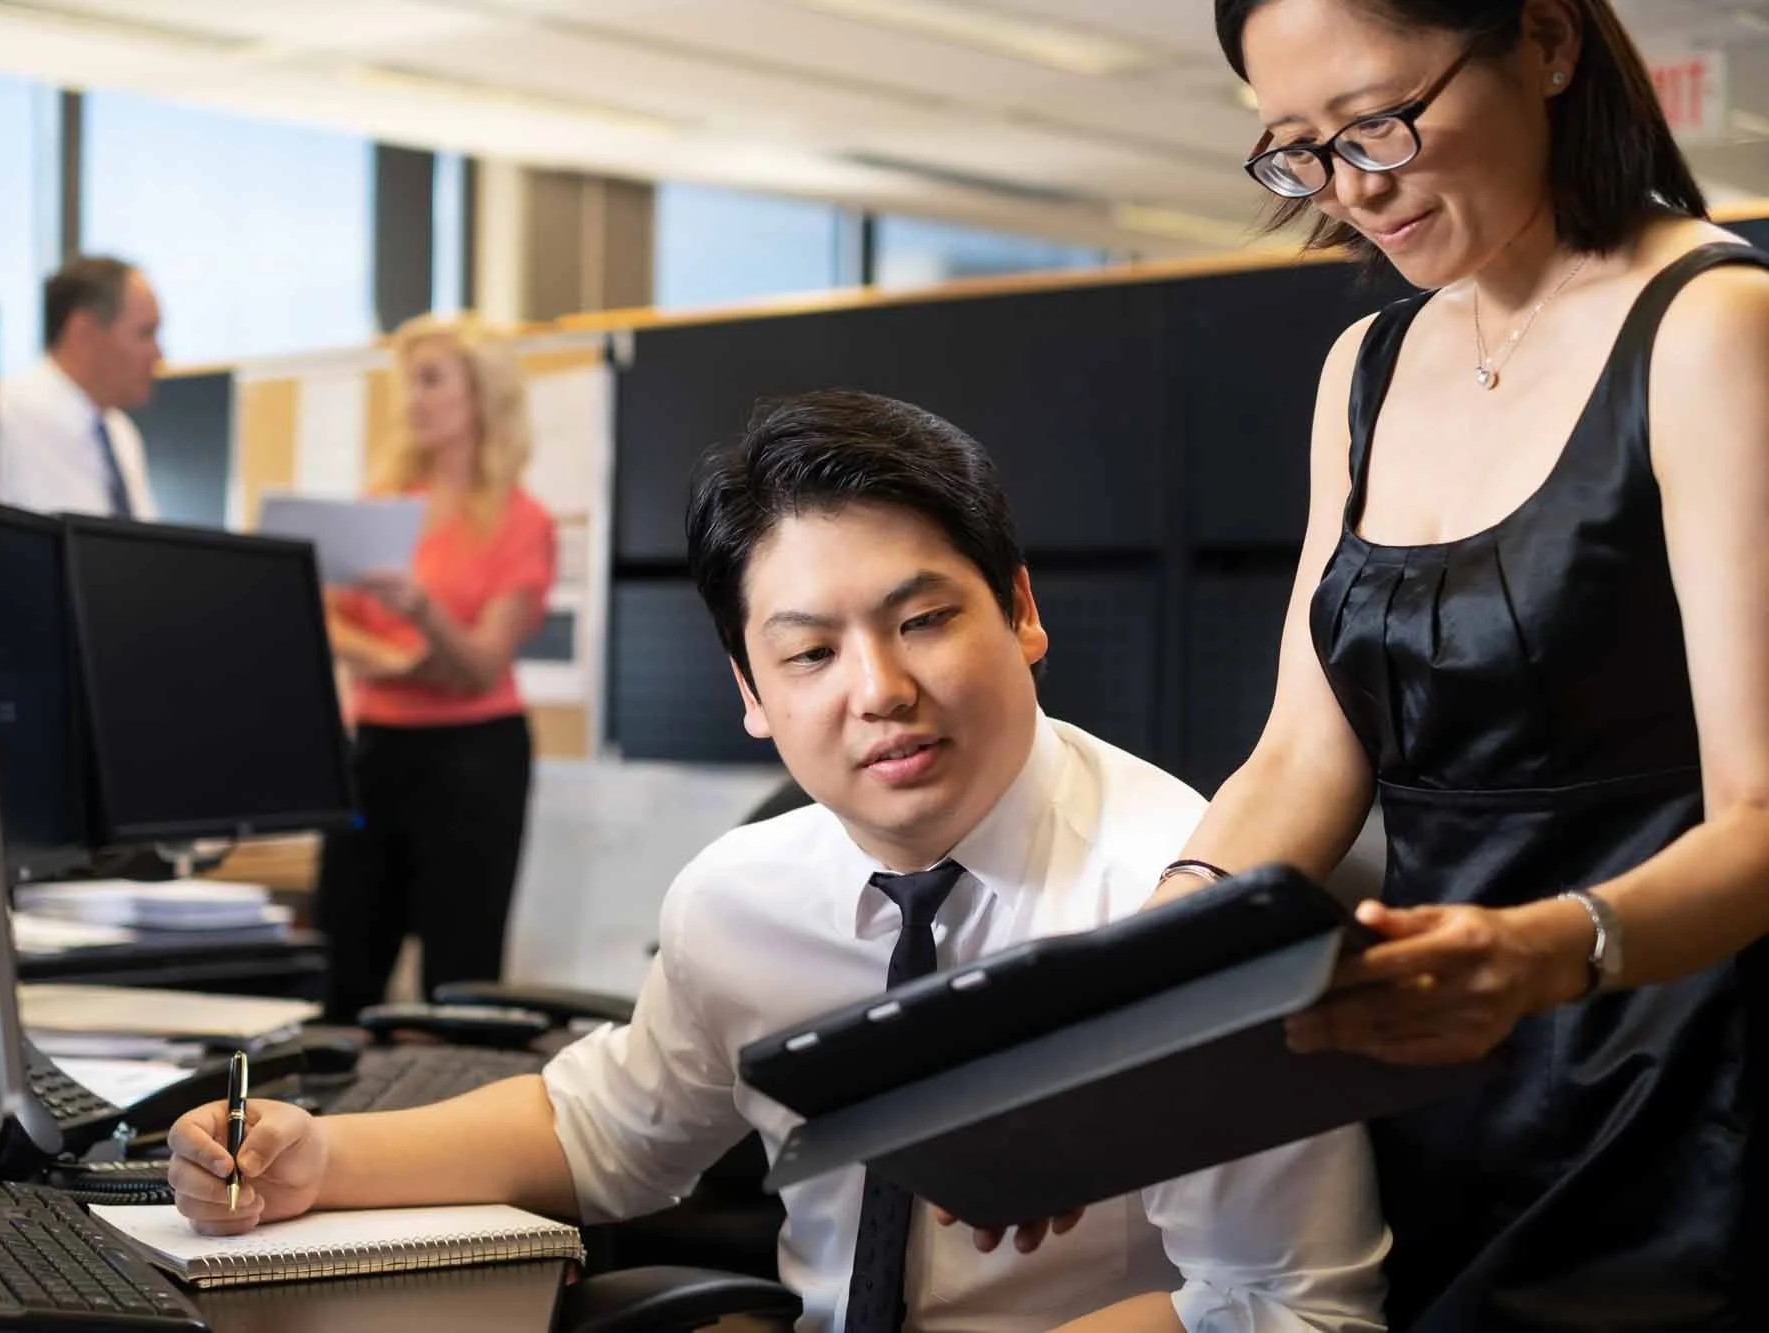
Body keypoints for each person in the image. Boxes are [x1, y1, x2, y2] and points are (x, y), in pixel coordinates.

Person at [170, 391, 1390, 1333]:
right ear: (750, 693)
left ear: (1018, 609)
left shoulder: (1178, 890)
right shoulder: (738, 896)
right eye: (808, 653)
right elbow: (606, 1127)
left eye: (922, 620)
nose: (880, 692)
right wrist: (316, 1161)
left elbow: (1284, 1305)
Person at [1074, 1, 1769, 1327]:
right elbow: (1302, 754)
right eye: (1302, 150)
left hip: (1680, 1081)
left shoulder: (1712, 326)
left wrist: (1540, 952)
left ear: (1549, 44)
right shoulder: (1368, 366)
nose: (1354, 188)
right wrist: (1121, 1000)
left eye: (1382, 121)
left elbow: (1763, 814)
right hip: (1431, 1059)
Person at [314, 316, 556, 1020]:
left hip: (474, 758)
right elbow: (324, 614)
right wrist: (400, 659)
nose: (413, 399)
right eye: (408, 382)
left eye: (431, 379)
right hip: (373, 750)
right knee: (343, 964)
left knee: (460, 976)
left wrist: (421, 613)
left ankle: (452, 1123)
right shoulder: (381, 506)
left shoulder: (521, 521)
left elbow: (480, 666)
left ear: (482, 394)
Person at [0, 255, 162, 519]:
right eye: (145, 333)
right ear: (82, 333)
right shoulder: (2, 419)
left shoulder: (122, 435)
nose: (158, 354)